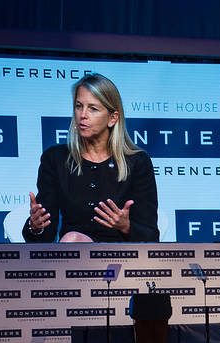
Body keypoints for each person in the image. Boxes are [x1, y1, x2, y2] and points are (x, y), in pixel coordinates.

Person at [25, 73, 158, 243]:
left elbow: (151, 236)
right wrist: (36, 226)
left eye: (93, 109)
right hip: (72, 258)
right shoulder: (55, 159)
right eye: (79, 106)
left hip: (120, 261)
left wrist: (126, 226)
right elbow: (45, 236)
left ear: (112, 118)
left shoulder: (138, 162)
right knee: (72, 239)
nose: (83, 115)